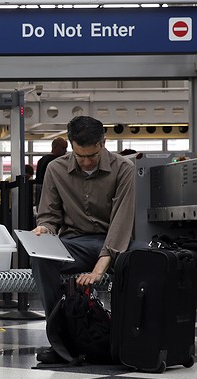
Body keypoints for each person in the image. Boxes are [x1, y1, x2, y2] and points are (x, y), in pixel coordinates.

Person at [31, 115, 141, 364]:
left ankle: (131, 338)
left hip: (116, 245)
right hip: (75, 244)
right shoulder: (56, 169)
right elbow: (49, 216)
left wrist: (99, 268)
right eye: (81, 156)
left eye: (93, 155)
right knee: (41, 257)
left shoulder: (124, 168)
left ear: (104, 142)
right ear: (70, 145)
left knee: (146, 259)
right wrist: (44, 230)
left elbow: (122, 223)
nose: (87, 162)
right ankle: (61, 340)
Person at [35, 137, 68, 205]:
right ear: (55, 147)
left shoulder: (41, 160)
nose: (65, 151)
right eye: (63, 148)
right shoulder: (57, 162)